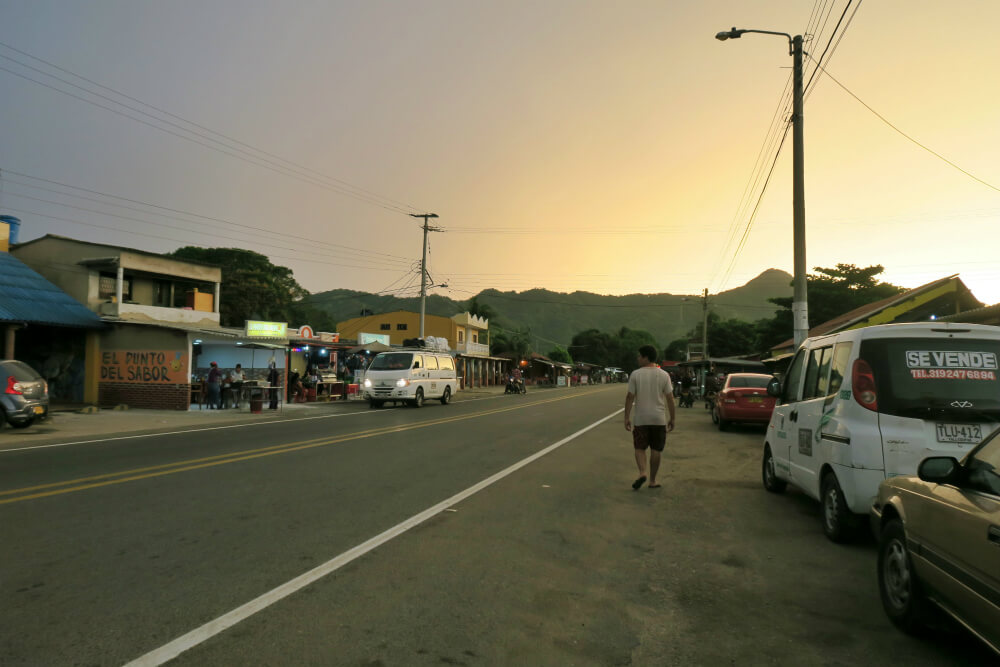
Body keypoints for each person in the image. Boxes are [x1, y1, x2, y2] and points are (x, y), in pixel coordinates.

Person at [624, 345, 676, 490]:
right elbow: (670, 398)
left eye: (639, 356)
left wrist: (626, 417)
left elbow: (630, 397)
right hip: (658, 419)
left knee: (639, 447)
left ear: (646, 357)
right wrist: (672, 418)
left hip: (641, 419)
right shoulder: (664, 375)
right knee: (656, 449)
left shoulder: (635, 374)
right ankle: (652, 481)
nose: (637, 358)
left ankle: (642, 473)